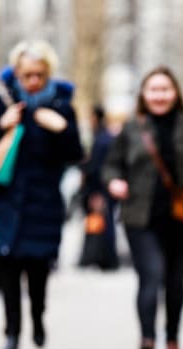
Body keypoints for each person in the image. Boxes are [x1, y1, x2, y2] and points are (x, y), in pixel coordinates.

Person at [0, 40, 82, 349]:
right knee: (6, 270)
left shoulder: (60, 105)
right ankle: (12, 333)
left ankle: (38, 316)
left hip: (42, 203)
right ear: (16, 74)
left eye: (39, 75)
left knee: (38, 273)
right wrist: (0, 124)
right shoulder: (4, 101)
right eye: (26, 75)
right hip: (4, 200)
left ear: (49, 75)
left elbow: (76, 154)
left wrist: (60, 128)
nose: (32, 81)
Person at [103, 66, 183, 349]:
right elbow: (111, 163)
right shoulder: (133, 128)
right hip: (141, 216)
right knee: (152, 275)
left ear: (175, 93)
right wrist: (114, 181)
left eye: (165, 89)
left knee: (175, 280)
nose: (159, 95)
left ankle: (173, 338)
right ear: (144, 94)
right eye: (153, 90)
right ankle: (147, 338)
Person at [79, 105, 119, 270]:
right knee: (107, 221)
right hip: (107, 186)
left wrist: (94, 190)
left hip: (101, 188)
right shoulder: (107, 136)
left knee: (105, 222)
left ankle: (106, 259)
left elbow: (96, 167)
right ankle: (107, 258)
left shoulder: (101, 138)